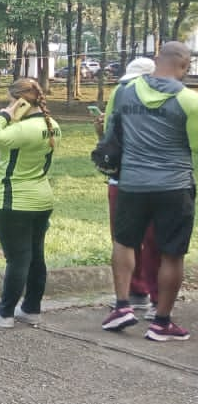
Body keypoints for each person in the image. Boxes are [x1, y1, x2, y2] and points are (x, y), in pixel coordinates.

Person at [100, 41, 198, 341]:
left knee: (124, 242)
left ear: (157, 60)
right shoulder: (189, 101)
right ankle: (162, 322)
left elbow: (109, 134)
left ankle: (122, 307)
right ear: (185, 66)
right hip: (175, 187)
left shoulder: (123, 92)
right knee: (172, 254)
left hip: (131, 183)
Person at [0, 78, 60, 329]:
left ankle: (4, 313)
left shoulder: (23, 130)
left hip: (15, 201)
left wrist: (4, 114)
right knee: (36, 256)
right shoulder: (52, 125)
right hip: (42, 198)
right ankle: (31, 309)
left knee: (17, 259)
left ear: (20, 101)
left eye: (10, 100)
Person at [94, 57, 161, 318]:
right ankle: (134, 293)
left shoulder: (167, 103)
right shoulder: (120, 96)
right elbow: (111, 145)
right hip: (121, 180)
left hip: (153, 182)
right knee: (124, 240)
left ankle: (156, 297)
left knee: (154, 240)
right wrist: (101, 134)